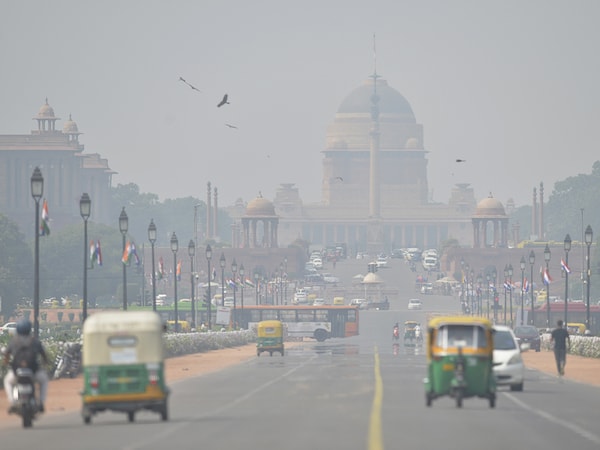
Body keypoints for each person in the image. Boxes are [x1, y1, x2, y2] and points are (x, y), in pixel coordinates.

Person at [2, 319, 49, 413]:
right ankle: (41, 402)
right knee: (44, 381)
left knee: (7, 381)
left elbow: (7, 354)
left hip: (17, 371)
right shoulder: (35, 341)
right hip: (33, 370)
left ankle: (13, 403)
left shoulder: (14, 341)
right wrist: (45, 363)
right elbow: (43, 355)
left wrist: (5, 363)